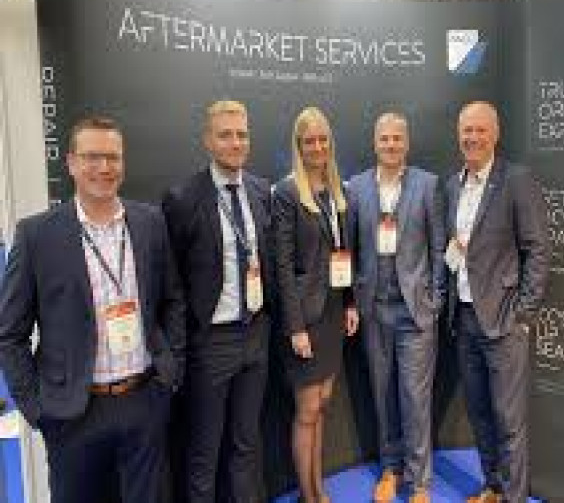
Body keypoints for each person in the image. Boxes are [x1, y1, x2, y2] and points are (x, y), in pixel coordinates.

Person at [0, 116, 185, 503]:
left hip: (144, 400)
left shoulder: (150, 222)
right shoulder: (36, 235)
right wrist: (37, 409)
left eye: (113, 157)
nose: (104, 167)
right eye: (92, 157)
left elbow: (172, 300)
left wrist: (169, 372)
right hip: (73, 414)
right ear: (70, 162)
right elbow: (10, 335)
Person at [162, 101, 274, 503]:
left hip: (256, 334)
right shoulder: (183, 199)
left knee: (247, 445)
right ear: (208, 141)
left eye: (242, 134)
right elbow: (172, 285)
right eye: (225, 135)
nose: (236, 142)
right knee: (204, 455)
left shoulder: (261, 191)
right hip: (211, 343)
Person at [445, 101, 550, 503]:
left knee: (509, 421)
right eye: (466, 130)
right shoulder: (452, 185)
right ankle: (493, 486)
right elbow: (455, 250)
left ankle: (514, 496)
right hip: (464, 318)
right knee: (479, 413)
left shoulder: (516, 180)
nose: (472, 137)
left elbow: (537, 249)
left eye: (480, 130)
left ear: (495, 134)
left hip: (504, 321)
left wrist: (523, 313)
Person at [348, 112, 445, 503]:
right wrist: (353, 300)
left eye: (397, 139)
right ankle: (391, 469)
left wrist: (435, 300)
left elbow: (438, 248)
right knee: (382, 393)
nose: (390, 145)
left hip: (415, 311)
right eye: (384, 139)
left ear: (407, 143)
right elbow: (350, 249)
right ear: (375, 143)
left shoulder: (427, 185)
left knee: (415, 399)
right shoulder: (357, 188)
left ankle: (419, 482)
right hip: (374, 309)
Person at [273, 106, 359, 503]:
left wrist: (350, 303)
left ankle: (318, 488)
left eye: (324, 139)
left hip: (333, 315)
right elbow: (283, 267)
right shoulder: (288, 193)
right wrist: (295, 328)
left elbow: (345, 252)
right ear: (299, 145)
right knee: (307, 411)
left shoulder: (339, 192)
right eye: (310, 141)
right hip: (305, 321)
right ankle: (309, 495)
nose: (318, 147)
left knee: (322, 405)